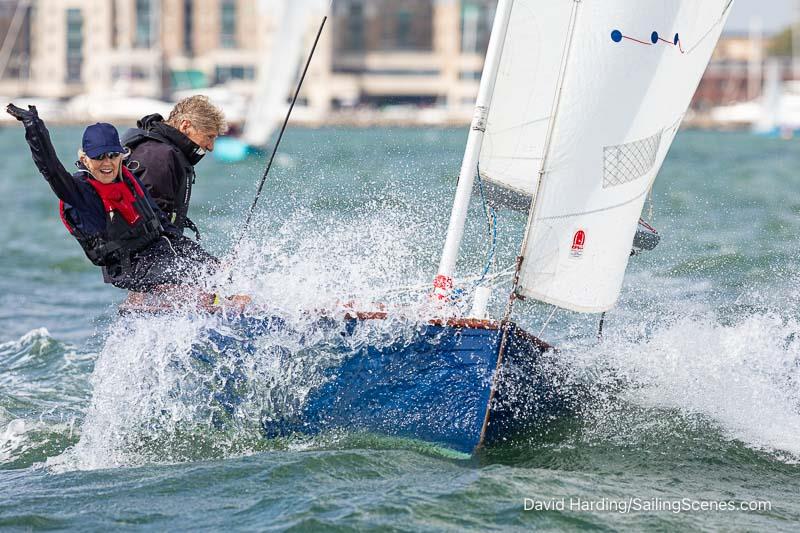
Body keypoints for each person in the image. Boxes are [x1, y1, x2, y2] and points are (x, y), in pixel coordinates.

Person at [6, 103, 219, 294]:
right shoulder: (80, 191)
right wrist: (35, 128)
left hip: (156, 252)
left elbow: (160, 223)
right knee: (197, 282)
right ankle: (215, 304)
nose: (106, 163)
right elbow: (50, 168)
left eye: (112, 155)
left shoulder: (127, 179)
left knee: (216, 271)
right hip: (130, 265)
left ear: (121, 156)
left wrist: (202, 258)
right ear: (85, 160)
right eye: (98, 157)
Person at [122, 95, 227, 240]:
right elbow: (152, 229)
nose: (211, 147)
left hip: (158, 251)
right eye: (209, 137)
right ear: (185, 126)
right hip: (142, 258)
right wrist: (205, 260)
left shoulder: (168, 153)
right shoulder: (158, 157)